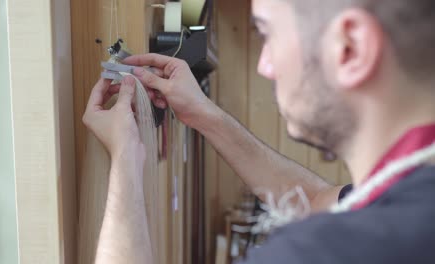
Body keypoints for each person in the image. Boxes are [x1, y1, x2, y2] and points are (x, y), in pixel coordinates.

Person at [82, 0, 435, 263]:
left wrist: (126, 157)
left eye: (268, 33)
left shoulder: (326, 252)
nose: (265, 65)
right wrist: (203, 115)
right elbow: (313, 201)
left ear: (351, 48)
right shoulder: (414, 196)